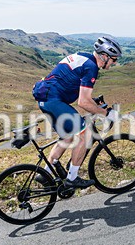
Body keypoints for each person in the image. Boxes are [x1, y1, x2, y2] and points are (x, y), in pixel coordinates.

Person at [31, 36, 121, 188]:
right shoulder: (91, 68)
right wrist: (107, 114)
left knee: (66, 137)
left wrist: (96, 105)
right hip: (54, 100)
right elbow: (83, 102)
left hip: (45, 98)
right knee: (84, 134)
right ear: (104, 56)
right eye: (113, 59)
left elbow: (80, 93)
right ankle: (72, 178)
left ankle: (46, 174)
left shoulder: (84, 57)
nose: (115, 63)